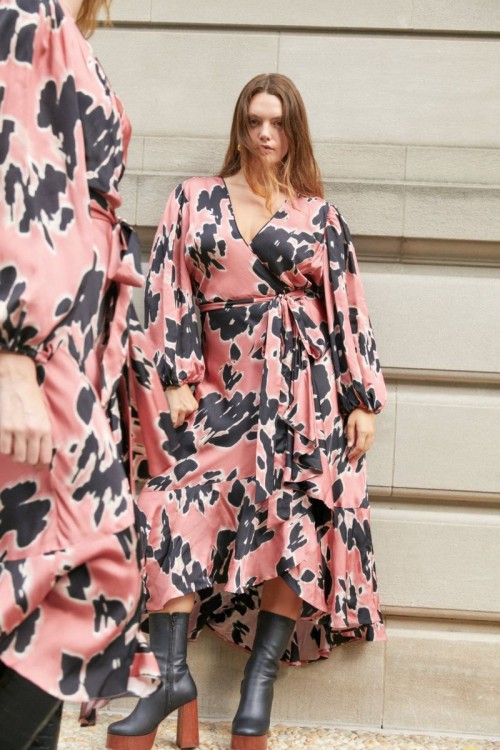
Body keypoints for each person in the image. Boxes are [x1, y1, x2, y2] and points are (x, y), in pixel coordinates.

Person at [107, 73, 387, 750]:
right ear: (240, 126)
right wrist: (176, 377)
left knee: (294, 523)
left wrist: (361, 399)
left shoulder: (319, 216)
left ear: (294, 132)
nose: (265, 133)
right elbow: (168, 285)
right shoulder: (194, 198)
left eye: (278, 122)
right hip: (217, 390)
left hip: (304, 398)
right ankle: (171, 679)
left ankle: (259, 683)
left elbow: (347, 308)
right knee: (167, 506)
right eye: (255, 121)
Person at [0, 1, 170, 748]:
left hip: (73, 333)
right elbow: (14, 170)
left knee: (37, 577)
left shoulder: (62, 27)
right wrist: (11, 349)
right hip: (39, 339)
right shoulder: (23, 11)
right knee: (89, 567)